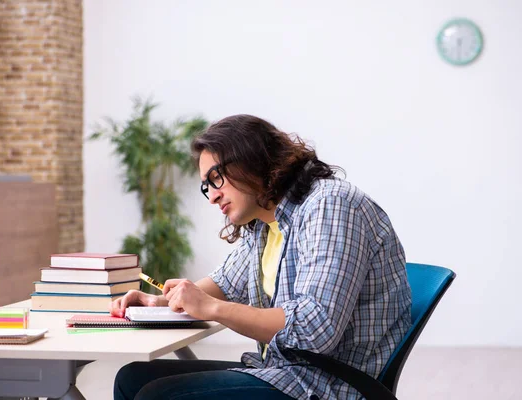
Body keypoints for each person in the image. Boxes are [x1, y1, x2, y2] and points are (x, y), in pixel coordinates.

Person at [112, 115, 412, 400]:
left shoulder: (330, 205)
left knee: (157, 396)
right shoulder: (265, 225)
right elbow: (224, 283)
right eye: (207, 187)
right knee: (132, 379)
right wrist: (158, 301)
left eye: (216, 178)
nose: (213, 195)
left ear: (251, 159)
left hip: (328, 385)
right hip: (284, 372)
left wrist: (212, 308)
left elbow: (314, 329)